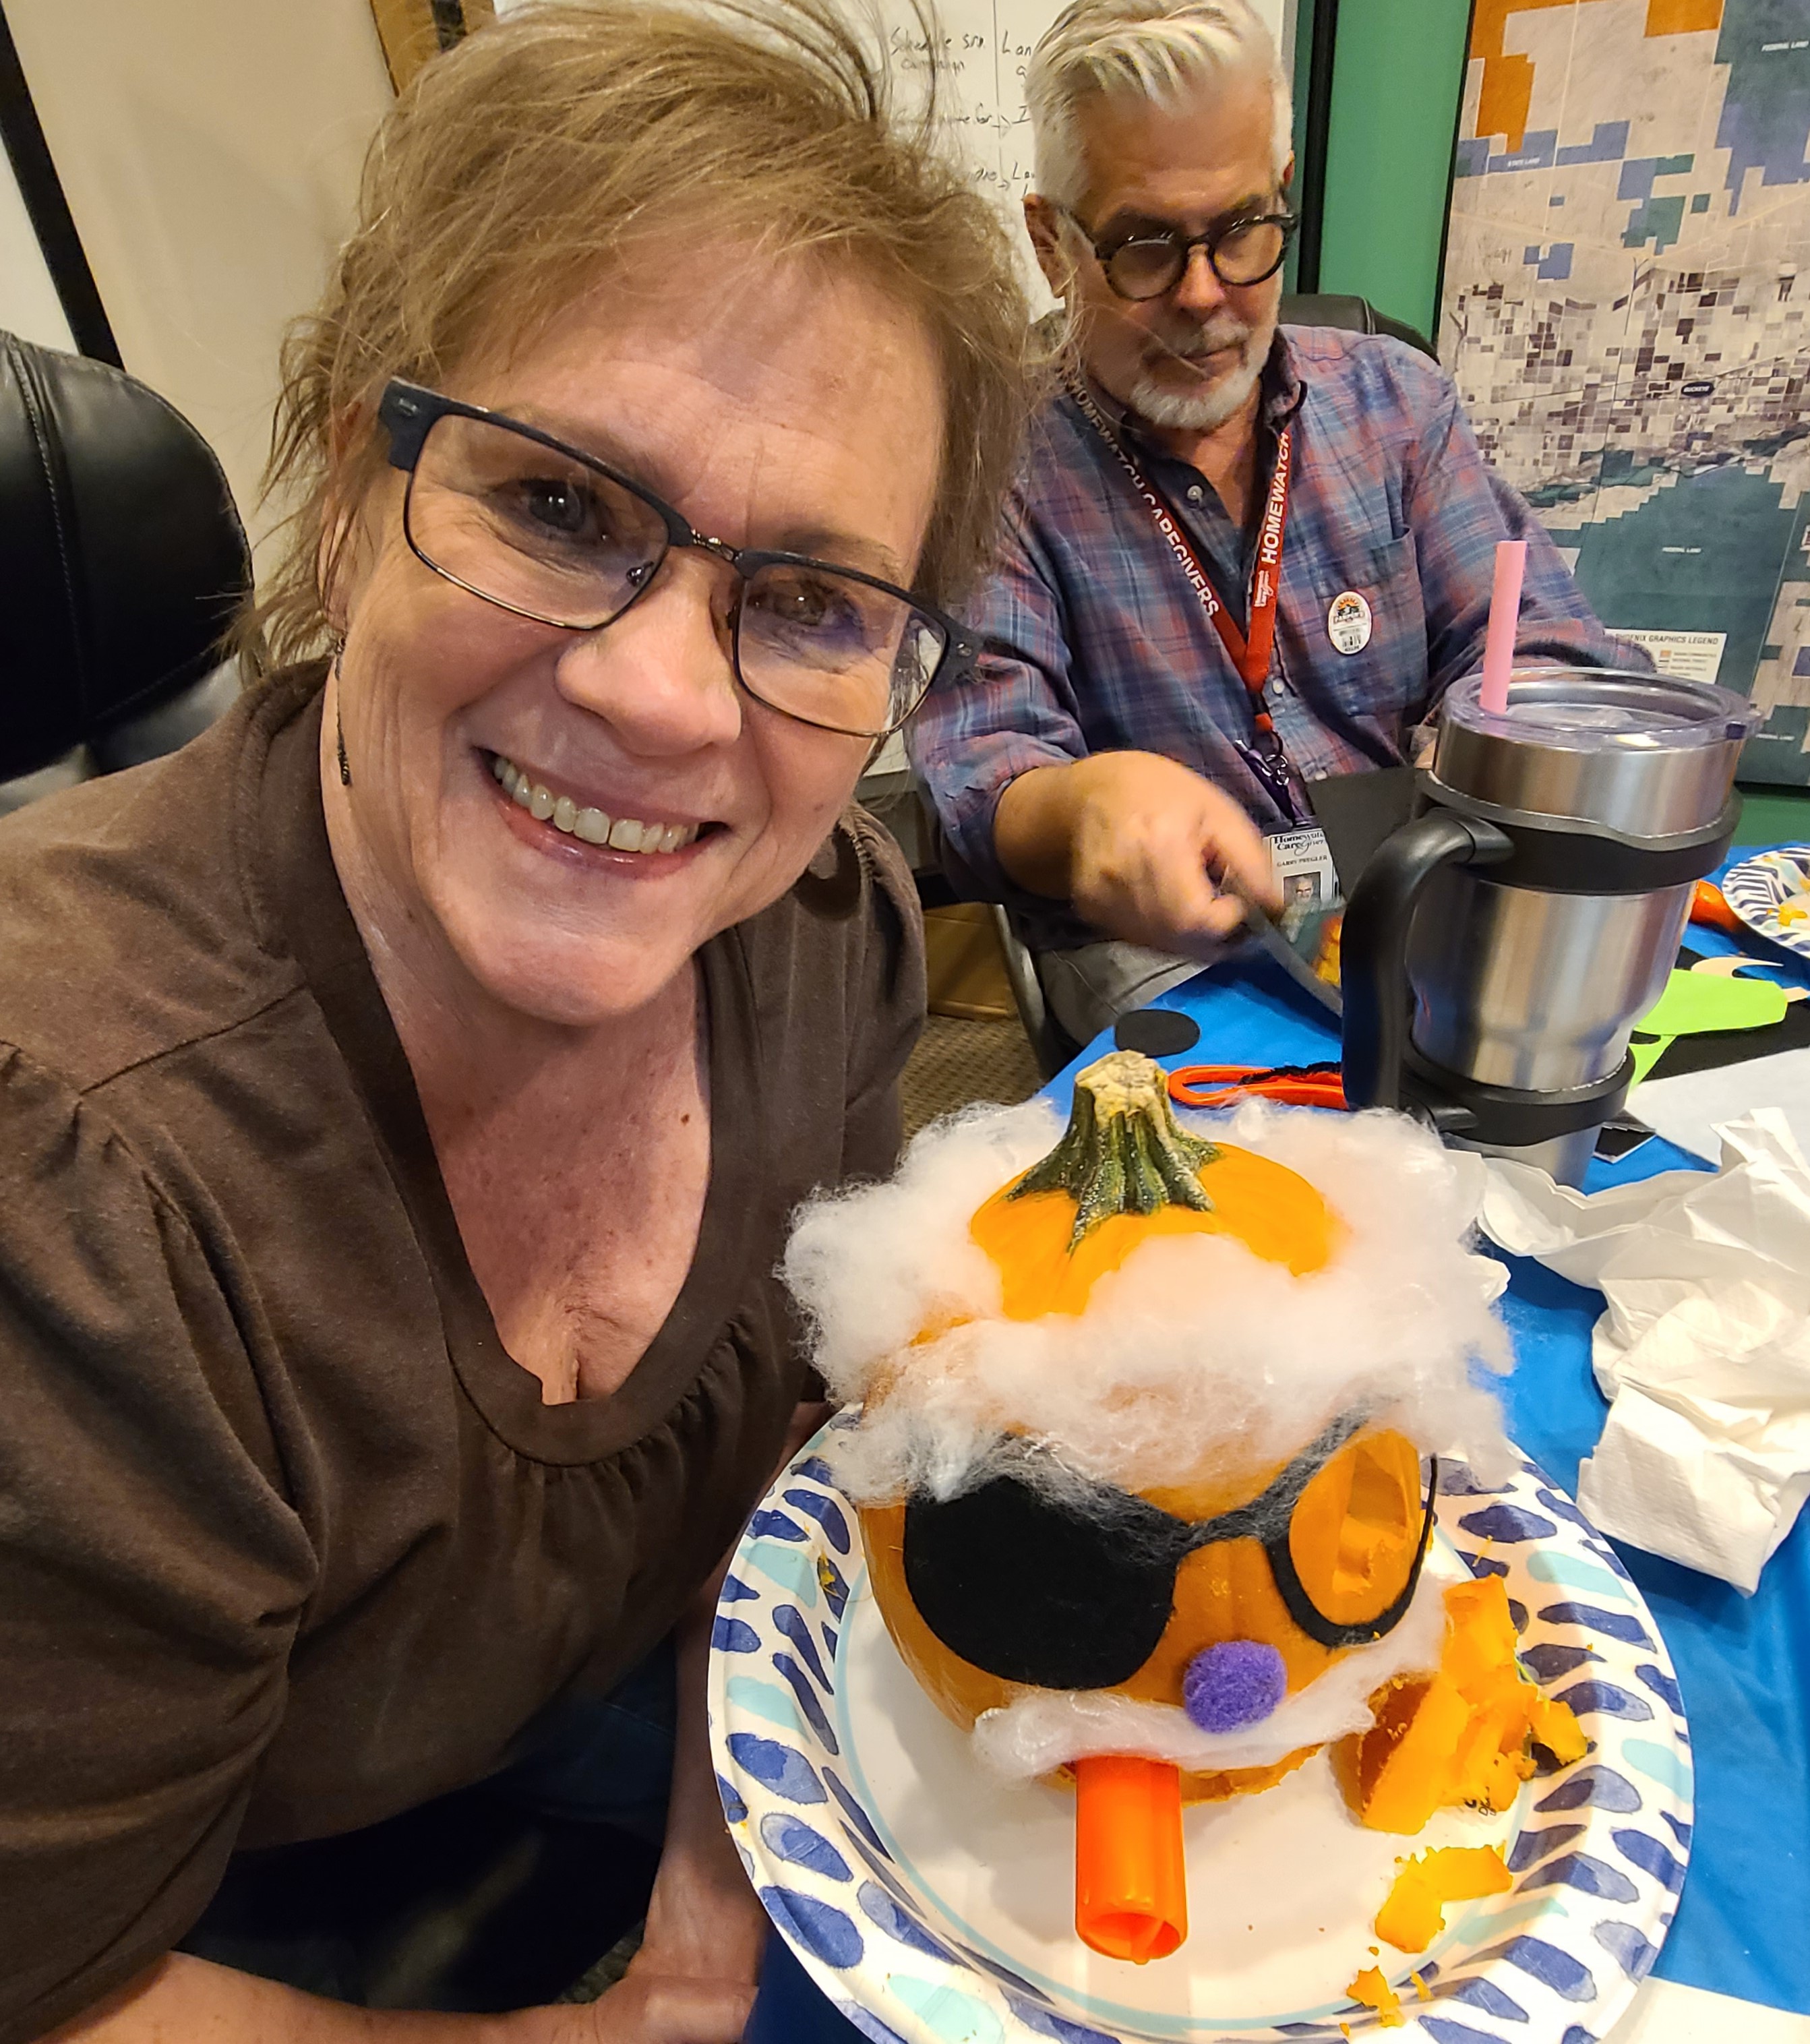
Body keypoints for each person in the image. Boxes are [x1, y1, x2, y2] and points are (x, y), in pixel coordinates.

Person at [0, 6, 1028, 2041]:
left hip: (617, 1748)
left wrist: (712, 1919)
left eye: (812, 600)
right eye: (559, 507)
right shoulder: (72, 1191)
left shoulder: (822, 931)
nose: (662, 698)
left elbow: (799, 1453)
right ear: (344, 500)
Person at [908, 0, 1637, 1046]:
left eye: (1242, 228)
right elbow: (984, 773)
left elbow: (1533, 648)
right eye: (1144, 247)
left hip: (1423, 895)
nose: (1206, 296)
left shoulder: (1396, 401)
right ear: (1049, 241)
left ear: (1279, 196)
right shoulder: (993, 463)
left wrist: (1491, 746)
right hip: (1176, 951)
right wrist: (1084, 807)